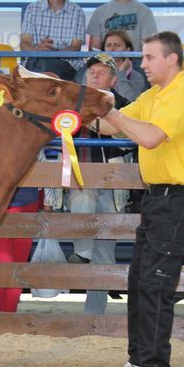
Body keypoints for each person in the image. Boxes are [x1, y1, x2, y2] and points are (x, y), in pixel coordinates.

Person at [95, 32, 184, 367]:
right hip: (158, 198)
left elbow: (149, 137)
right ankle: (139, 359)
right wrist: (77, 112)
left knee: (156, 283)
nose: (142, 64)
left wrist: (109, 110)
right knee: (140, 279)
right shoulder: (154, 95)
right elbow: (111, 126)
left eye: (149, 57)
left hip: (181, 198)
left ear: (171, 58)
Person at [67, 53, 129, 315]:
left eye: (102, 71)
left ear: (113, 80)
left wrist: (92, 119)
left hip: (115, 182)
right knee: (82, 198)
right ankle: (82, 251)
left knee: (105, 250)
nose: (94, 75)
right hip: (82, 176)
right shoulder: (69, 104)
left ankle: (94, 316)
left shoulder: (124, 104)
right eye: (91, 70)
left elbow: (125, 135)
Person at [20, 0, 85, 81]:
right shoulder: (32, 9)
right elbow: (24, 43)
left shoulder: (77, 12)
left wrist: (52, 53)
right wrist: (39, 52)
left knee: (44, 66)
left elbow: (76, 47)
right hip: (35, 61)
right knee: (40, 64)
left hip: (66, 64)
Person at [86, 0, 157, 52]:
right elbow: (95, 48)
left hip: (135, 61)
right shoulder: (99, 12)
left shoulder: (144, 11)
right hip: (107, 62)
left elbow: (148, 46)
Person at [102, 29, 147, 102]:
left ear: (127, 49)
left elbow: (129, 102)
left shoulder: (137, 77)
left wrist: (121, 74)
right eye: (108, 45)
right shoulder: (94, 72)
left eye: (117, 45)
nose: (112, 49)